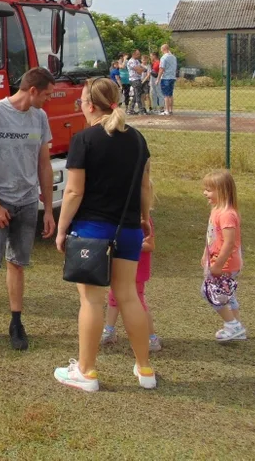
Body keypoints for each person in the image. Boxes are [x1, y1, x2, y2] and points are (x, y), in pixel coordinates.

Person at [54, 77, 156, 392]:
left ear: (90, 105)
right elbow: (145, 186)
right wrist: (144, 218)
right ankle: (145, 369)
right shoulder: (138, 139)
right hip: (128, 230)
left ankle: (86, 372)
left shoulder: (84, 140)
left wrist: (60, 230)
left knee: (91, 301)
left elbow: (72, 192)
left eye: (81, 100)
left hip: (91, 231)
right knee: (129, 297)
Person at [0, 68, 56, 352]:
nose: (48, 100)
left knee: (17, 264)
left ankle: (16, 322)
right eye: (47, 94)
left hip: (27, 202)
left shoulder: (40, 117)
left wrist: (49, 209)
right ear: (32, 90)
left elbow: (44, 164)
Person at [102, 192, 161, 352]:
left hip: (136, 270)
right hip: (120, 268)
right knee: (113, 298)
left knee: (138, 302)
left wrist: (130, 244)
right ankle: (109, 330)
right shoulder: (120, 219)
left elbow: (150, 245)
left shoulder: (144, 220)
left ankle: (151, 338)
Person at [201, 169, 246, 342]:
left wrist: (218, 264)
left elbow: (229, 243)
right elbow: (212, 237)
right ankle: (237, 328)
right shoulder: (217, 210)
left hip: (226, 264)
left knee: (209, 292)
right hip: (220, 262)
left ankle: (232, 325)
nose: (205, 193)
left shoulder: (227, 214)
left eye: (209, 189)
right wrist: (206, 254)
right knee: (228, 295)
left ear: (223, 191)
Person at [159, 44, 178, 116]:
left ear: (163, 49)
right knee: (170, 95)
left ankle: (166, 110)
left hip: (165, 77)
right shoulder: (173, 57)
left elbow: (161, 69)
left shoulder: (163, 58)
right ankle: (170, 110)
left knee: (166, 95)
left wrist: (158, 78)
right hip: (172, 77)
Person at [127, 51, 147, 115]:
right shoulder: (130, 61)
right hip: (134, 79)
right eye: (137, 54)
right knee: (138, 94)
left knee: (136, 94)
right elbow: (138, 69)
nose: (139, 55)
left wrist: (141, 69)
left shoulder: (137, 61)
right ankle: (141, 110)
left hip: (138, 79)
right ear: (133, 54)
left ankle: (131, 109)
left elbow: (143, 69)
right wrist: (141, 69)